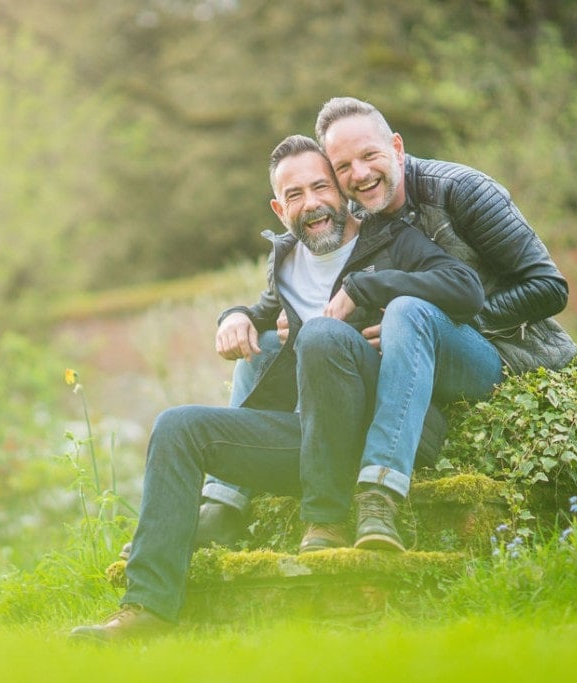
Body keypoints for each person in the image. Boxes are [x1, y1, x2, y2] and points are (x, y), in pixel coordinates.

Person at [70, 134, 486, 642]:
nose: (310, 203)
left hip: (392, 429)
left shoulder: (395, 241)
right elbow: (265, 308)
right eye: (294, 195)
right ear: (278, 207)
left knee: (324, 333)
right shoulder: (287, 261)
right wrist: (236, 316)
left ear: (342, 189)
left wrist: (371, 291)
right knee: (177, 426)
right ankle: (146, 608)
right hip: (313, 441)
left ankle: (325, 520)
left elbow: (465, 288)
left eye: (320, 187)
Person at [196, 97, 575, 547]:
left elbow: (550, 288)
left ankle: (379, 492)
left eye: (369, 156)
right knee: (267, 340)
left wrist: (434, 327)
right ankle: (221, 503)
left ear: (396, 146)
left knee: (409, 310)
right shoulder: (353, 216)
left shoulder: (461, 190)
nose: (359, 174)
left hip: (500, 352)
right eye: (343, 166)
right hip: (404, 357)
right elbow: (290, 296)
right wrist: (237, 315)